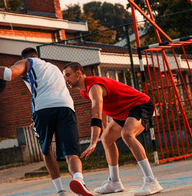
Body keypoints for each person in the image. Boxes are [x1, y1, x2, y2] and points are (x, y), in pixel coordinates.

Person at [0, 48, 93, 196]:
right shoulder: (53, 68)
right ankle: (79, 180)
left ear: (25, 58)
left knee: (46, 151)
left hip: (43, 109)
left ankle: (60, 190)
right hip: (66, 107)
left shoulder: (26, 62)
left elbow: (8, 74)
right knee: (71, 152)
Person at [62, 62, 163, 196]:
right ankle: (114, 182)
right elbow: (102, 108)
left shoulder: (94, 86)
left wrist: (93, 142)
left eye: (68, 75)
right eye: (64, 76)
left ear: (78, 74)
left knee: (127, 134)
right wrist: (104, 128)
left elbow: (96, 114)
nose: (66, 80)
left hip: (139, 104)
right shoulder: (84, 91)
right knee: (106, 138)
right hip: (123, 111)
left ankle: (151, 181)